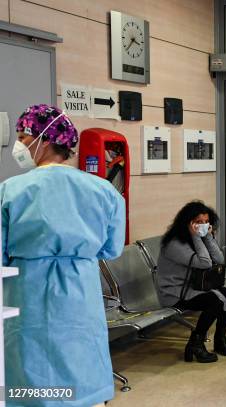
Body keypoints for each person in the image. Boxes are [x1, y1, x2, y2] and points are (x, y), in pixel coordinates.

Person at [1, 104, 126, 407]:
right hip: (79, 291)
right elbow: (111, 249)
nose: (19, 144)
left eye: (22, 136)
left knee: (30, 364)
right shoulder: (103, 190)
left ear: (43, 139)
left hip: (27, 291)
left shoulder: (11, 190)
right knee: (80, 357)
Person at [157, 201, 226, 363]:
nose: (203, 226)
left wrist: (207, 236)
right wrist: (197, 237)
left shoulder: (199, 239)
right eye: (198, 222)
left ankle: (220, 339)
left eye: (206, 222)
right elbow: (205, 263)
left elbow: (219, 259)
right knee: (215, 302)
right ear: (187, 223)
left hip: (195, 287)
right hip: (175, 292)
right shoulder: (175, 243)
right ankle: (196, 343)